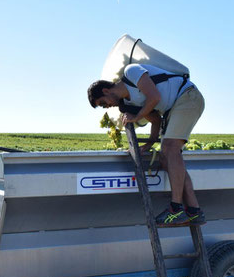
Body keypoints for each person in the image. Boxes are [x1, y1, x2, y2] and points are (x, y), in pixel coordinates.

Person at [87, 63, 205, 227]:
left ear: (106, 91)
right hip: (172, 111)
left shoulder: (131, 71)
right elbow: (156, 120)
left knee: (170, 149)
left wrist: (136, 117)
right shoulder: (128, 104)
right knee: (165, 158)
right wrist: (149, 144)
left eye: (103, 103)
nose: (106, 107)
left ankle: (176, 208)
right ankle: (194, 211)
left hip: (187, 96)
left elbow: (154, 97)